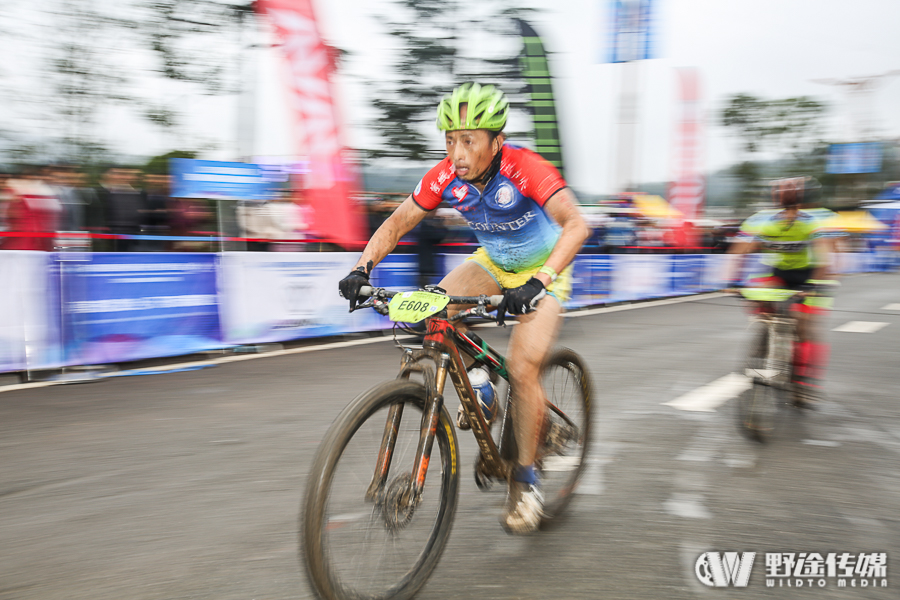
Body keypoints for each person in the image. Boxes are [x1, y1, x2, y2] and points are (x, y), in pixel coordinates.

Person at [338, 82, 590, 534]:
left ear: (496, 142)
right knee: (426, 312)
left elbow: (577, 225)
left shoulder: (524, 168)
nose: (456, 152)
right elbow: (397, 222)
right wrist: (362, 269)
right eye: (450, 139)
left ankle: (526, 482)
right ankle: (480, 377)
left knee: (523, 364)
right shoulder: (445, 177)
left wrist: (541, 280)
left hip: (544, 271)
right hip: (492, 264)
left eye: (468, 140)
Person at [728, 177, 835, 407]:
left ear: (799, 206)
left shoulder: (810, 224)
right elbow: (744, 251)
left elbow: (823, 258)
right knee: (761, 301)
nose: (788, 213)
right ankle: (765, 340)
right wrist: (735, 281)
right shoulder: (769, 225)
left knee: (803, 325)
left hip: (805, 275)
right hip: (779, 274)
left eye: (791, 207)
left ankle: (801, 383)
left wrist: (813, 284)